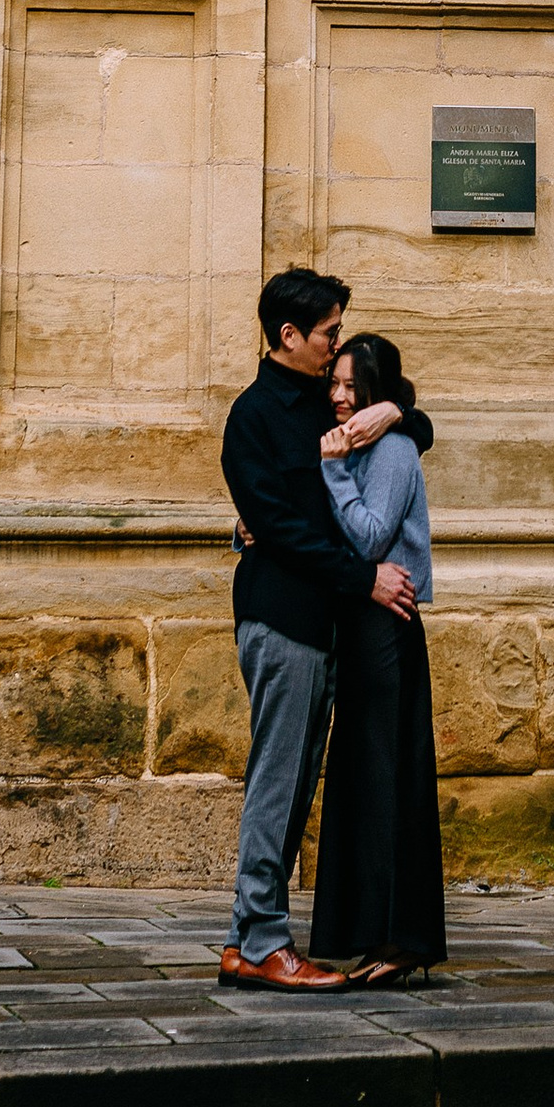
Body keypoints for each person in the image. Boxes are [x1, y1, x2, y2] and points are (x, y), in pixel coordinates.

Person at [218, 267, 424, 993]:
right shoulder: (252, 417)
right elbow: (283, 529)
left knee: (296, 779)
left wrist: (393, 411)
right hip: (281, 617)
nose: (337, 344)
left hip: (320, 623)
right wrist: (365, 577)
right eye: (329, 332)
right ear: (289, 335)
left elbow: (418, 426)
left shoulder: (322, 400)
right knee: (278, 782)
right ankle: (263, 941)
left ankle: (247, 940)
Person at [309, 333, 446, 986]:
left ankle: (403, 940)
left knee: (390, 781)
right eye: (334, 383)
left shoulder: (390, 450)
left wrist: (335, 471)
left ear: (376, 392)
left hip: (389, 630)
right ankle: (368, 934)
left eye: (352, 386)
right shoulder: (354, 440)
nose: (339, 396)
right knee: (360, 781)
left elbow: (369, 537)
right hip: (359, 628)